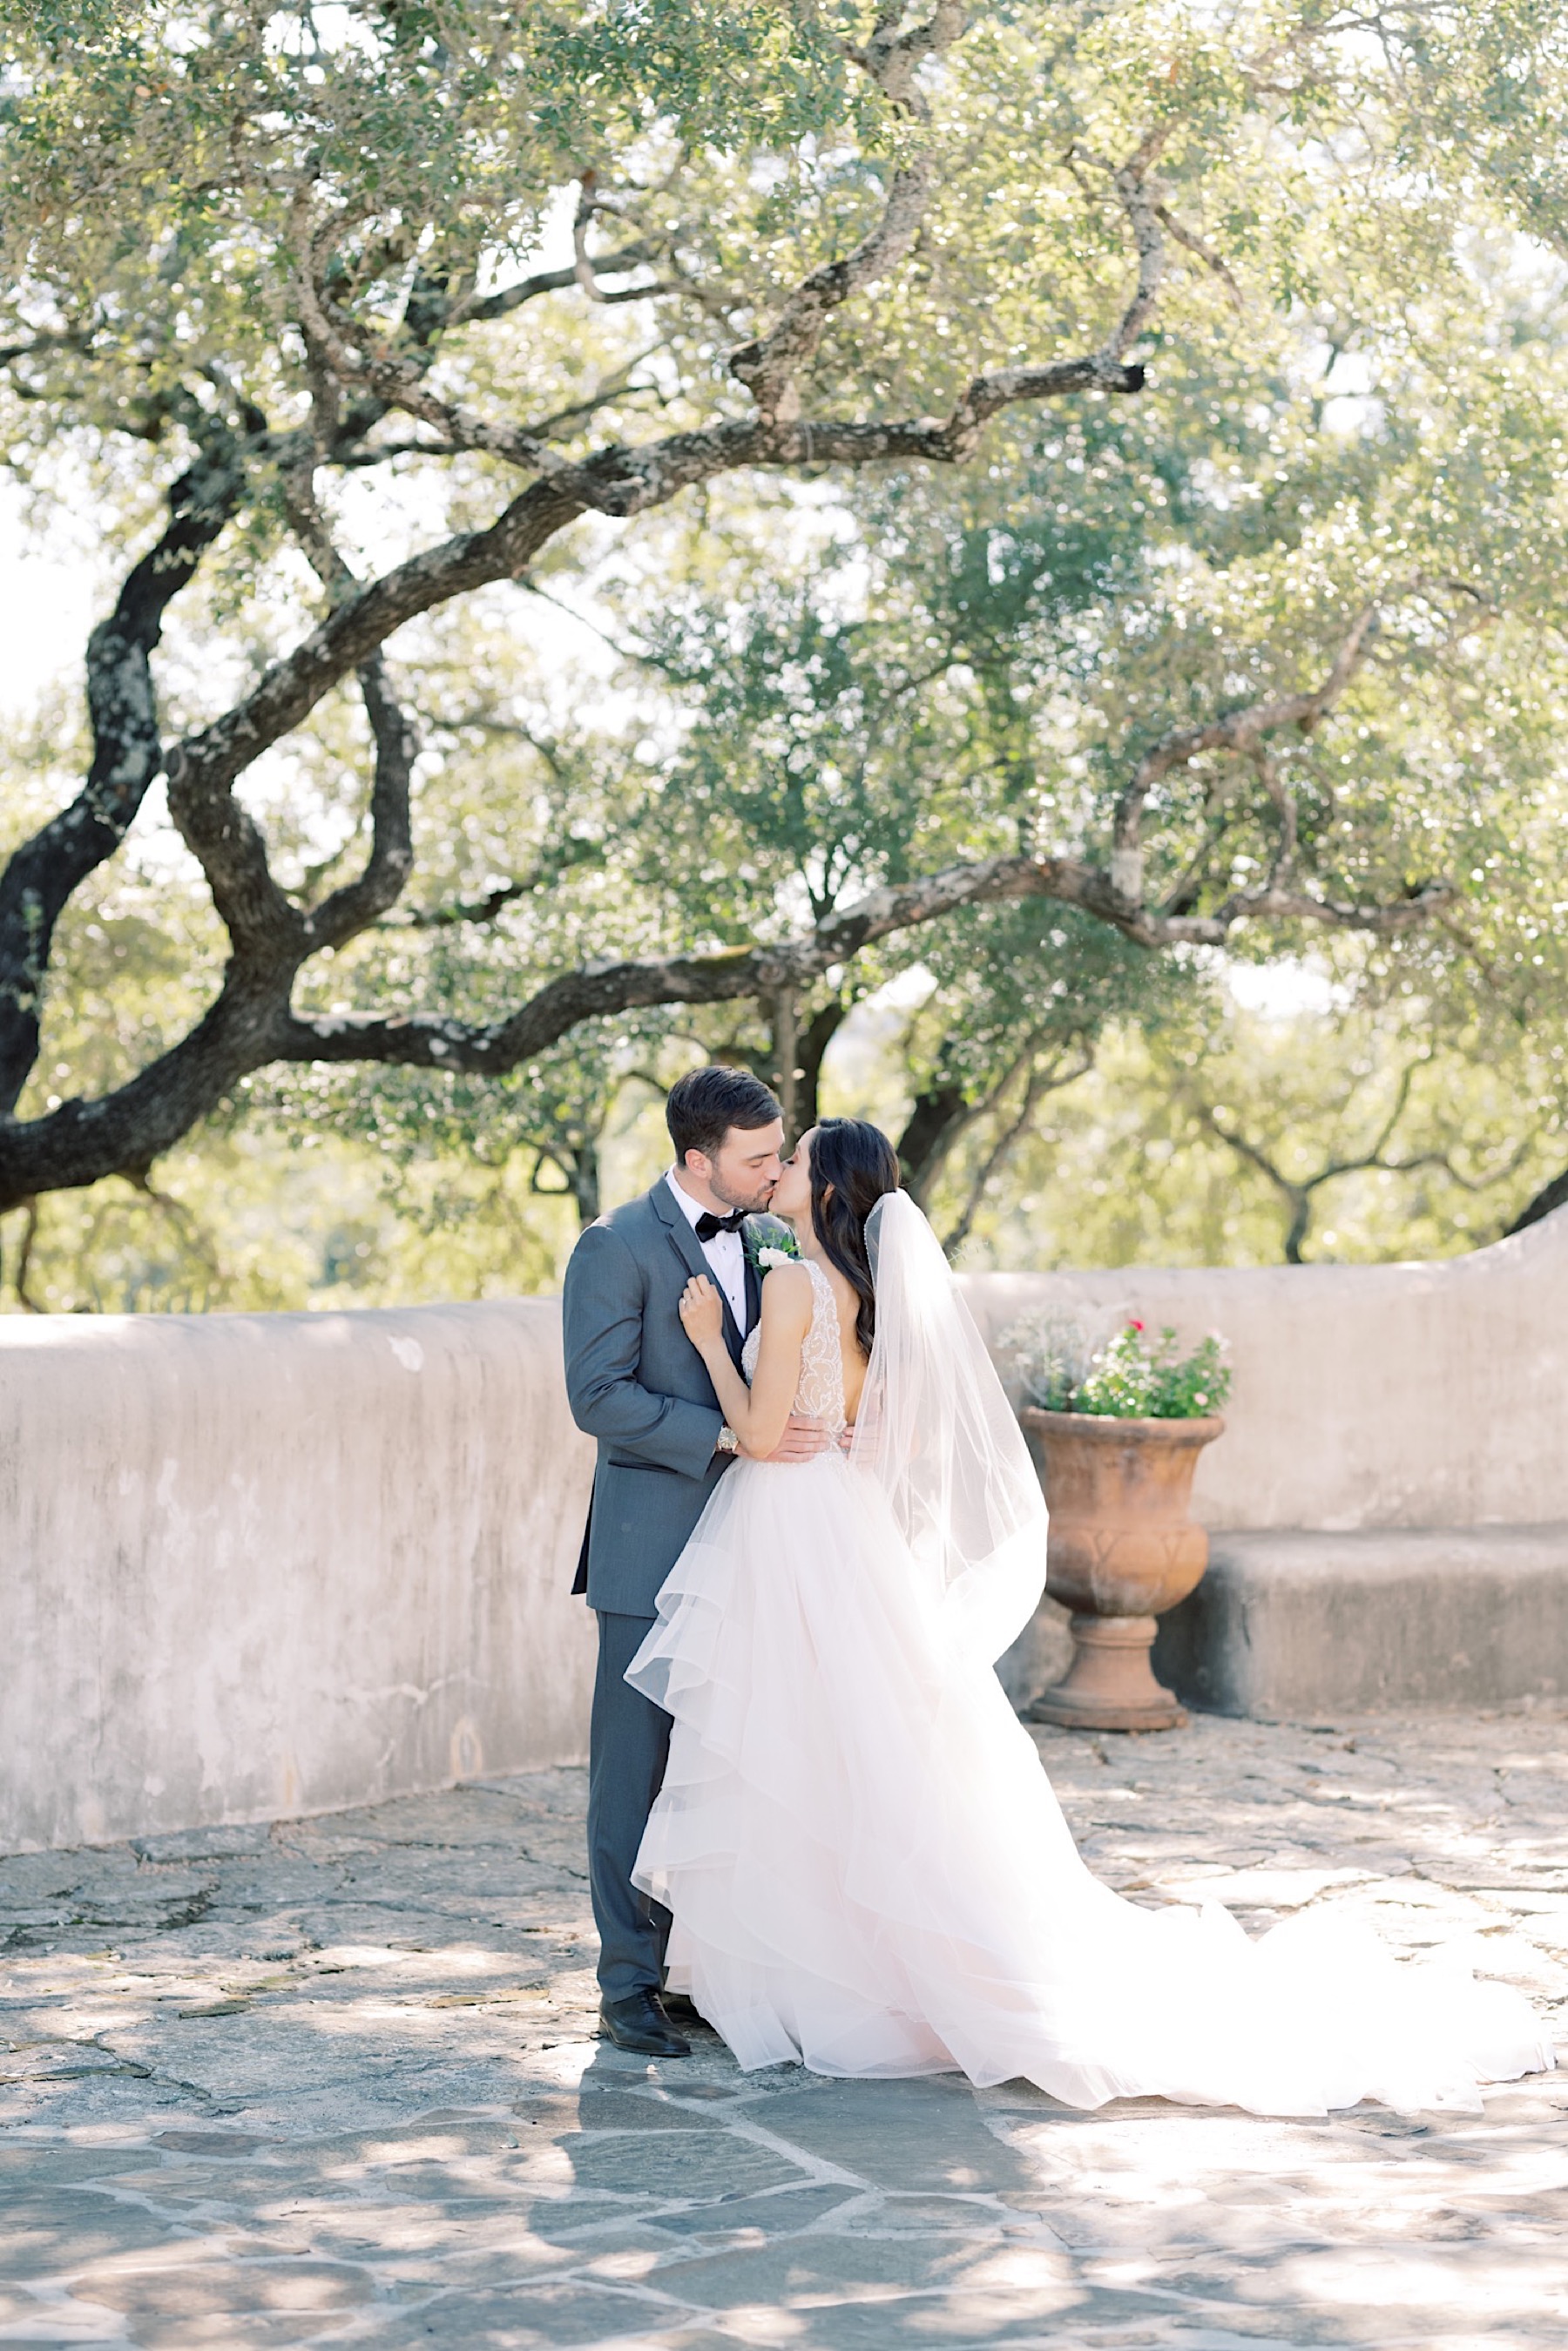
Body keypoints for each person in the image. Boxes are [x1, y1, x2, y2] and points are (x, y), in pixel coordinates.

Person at [623, 1116, 1557, 2114]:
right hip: (845, 1535)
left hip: (790, 1527)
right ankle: (843, 1967)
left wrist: (709, 1345)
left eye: (798, 1159)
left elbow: (763, 1435)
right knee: (858, 1753)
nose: (783, 1169)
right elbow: (874, 1437)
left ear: (832, 1187)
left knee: (799, 1747)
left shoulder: (795, 1285)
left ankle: (805, 1970)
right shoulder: (869, 1299)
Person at [562, 1065, 838, 2057]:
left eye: (780, 1156)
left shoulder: (768, 1236)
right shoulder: (614, 1244)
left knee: (719, 1767)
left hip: (756, 1548)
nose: (774, 1171)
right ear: (696, 1157)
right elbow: (598, 1397)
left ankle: (693, 1966)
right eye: (757, 1157)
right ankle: (626, 1982)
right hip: (651, 1547)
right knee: (632, 1773)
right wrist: (730, 1435)